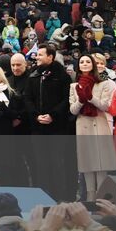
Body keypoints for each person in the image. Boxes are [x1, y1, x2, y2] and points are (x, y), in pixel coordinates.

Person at [24, 43, 73, 199]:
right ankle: (42, 196)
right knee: (41, 164)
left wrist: (53, 115)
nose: (36, 57)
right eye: (37, 54)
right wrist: (36, 115)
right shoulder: (33, 75)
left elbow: (66, 99)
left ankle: (59, 196)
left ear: (50, 57)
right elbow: (28, 98)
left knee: (57, 163)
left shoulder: (63, 76)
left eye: (40, 55)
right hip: (38, 128)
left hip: (57, 127)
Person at [69, 53, 116, 200]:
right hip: (83, 124)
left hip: (100, 123)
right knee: (87, 162)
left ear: (93, 64)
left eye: (87, 61)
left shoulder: (105, 83)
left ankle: (101, 197)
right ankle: (90, 196)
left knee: (101, 162)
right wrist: (82, 100)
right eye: (81, 62)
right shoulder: (74, 85)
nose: (84, 64)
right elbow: (73, 110)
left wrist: (90, 97)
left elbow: (106, 106)